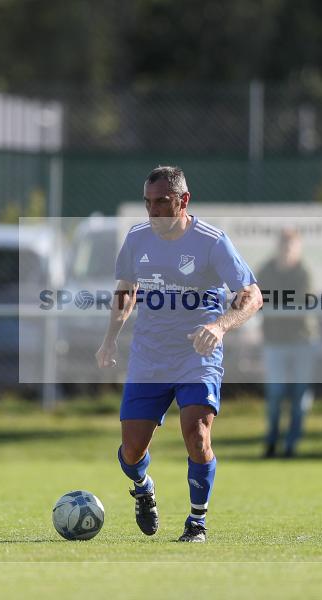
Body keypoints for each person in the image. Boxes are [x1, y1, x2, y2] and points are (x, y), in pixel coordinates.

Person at [95, 166, 263, 543]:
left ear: (183, 201)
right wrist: (110, 339)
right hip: (149, 356)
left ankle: (197, 522)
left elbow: (252, 295)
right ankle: (143, 488)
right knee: (131, 451)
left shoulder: (212, 241)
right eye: (148, 203)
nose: (153, 211)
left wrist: (219, 326)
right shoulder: (137, 239)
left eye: (162, 203)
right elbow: (126, 289)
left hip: (196, 355)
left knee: (197, 434)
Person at [257, 228, 319, 459]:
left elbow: (301, 305)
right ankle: (271, 441)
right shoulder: (266, 270)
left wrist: (275, 304)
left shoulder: (304, 273)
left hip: (302, 341)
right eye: (283, 246)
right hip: (275, 342)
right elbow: (257, 299)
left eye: (291, 246)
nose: (286, 251)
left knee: (300, 397)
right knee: (275, 395)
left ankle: (291, 444)